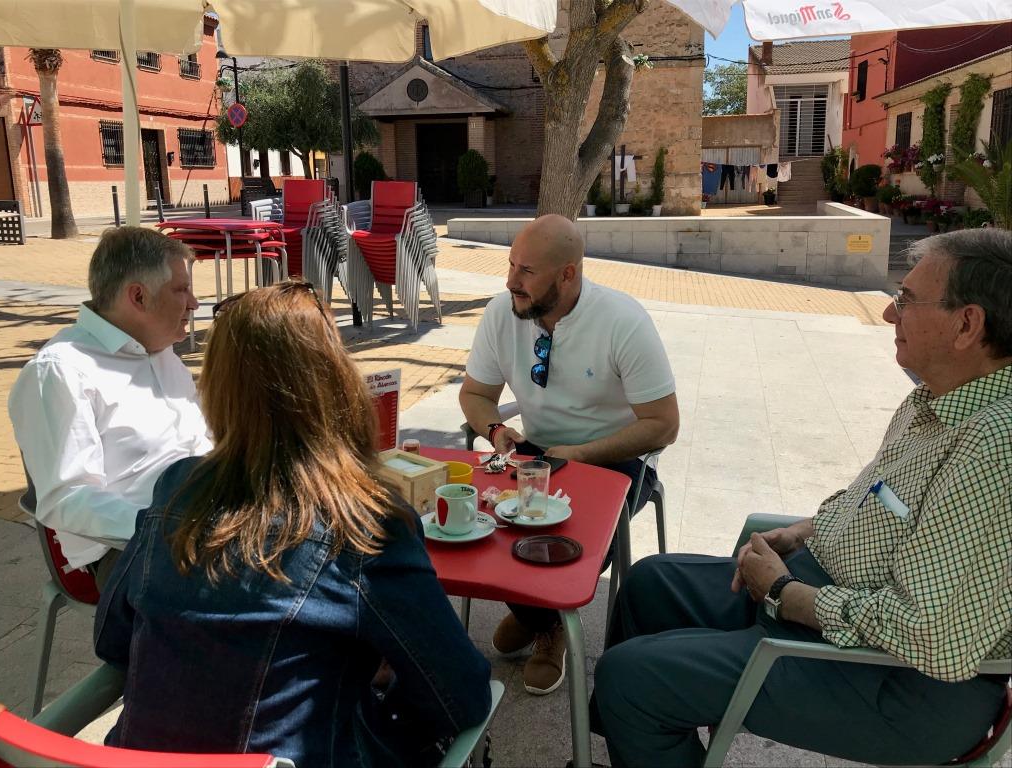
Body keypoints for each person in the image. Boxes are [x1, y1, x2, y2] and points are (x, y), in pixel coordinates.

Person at [592, 229, 1012, 767]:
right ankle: (637, 745)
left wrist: (785, 595)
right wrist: (801, 532)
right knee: (647, 584)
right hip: (834, 603)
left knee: (629, 678)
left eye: (905, 299)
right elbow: (878, 500)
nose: (889, 314)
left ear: (967, 324)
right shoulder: (934, 398)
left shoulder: (993, 447)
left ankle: (639, 714)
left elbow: (934, 637)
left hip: (901, 684)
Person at [94, 281, 492, 767]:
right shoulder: (366, 520)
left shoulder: (177, 487)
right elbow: (462, 694)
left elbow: (113, 640)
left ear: (218, 388)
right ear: (336, 382)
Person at [460, 214, 679, 696]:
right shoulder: (504, 313)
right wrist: (496, 429)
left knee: (562, 535)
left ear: (568, 275)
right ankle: (536, 612)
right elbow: (474, 395)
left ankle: (547, 624)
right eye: (511, 264)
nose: (510, 281)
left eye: (526, 272)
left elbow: (664, 424)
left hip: (618, 455)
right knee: (484, 518)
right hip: (539, 451)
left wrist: (581, 452)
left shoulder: (622, 320)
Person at [8, 227, 210, 588]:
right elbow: (67, 500)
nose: (194, 303)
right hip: (129, 548)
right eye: (181, 290)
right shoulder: (62, 372)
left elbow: (199, 442)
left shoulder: (162, 354)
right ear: (138, 297)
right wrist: (169, 525)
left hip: (198, 516)